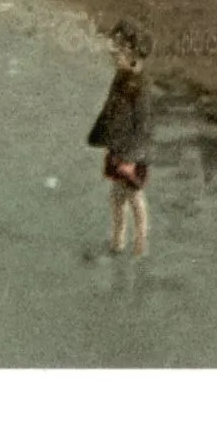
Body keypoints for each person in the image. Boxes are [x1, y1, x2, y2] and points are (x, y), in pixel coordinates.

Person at [86, 22, 152, 258]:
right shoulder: (120, 78)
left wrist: (131, 158)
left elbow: (143, 126)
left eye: (119, 50)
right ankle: (118, 240)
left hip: (133, 153)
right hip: (119, 148)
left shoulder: (140, 86)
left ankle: (140, 243)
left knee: (134, 196)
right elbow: (110, 108)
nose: (113, 53)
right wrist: (102, 134)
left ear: (134, 54)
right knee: (116, 196)